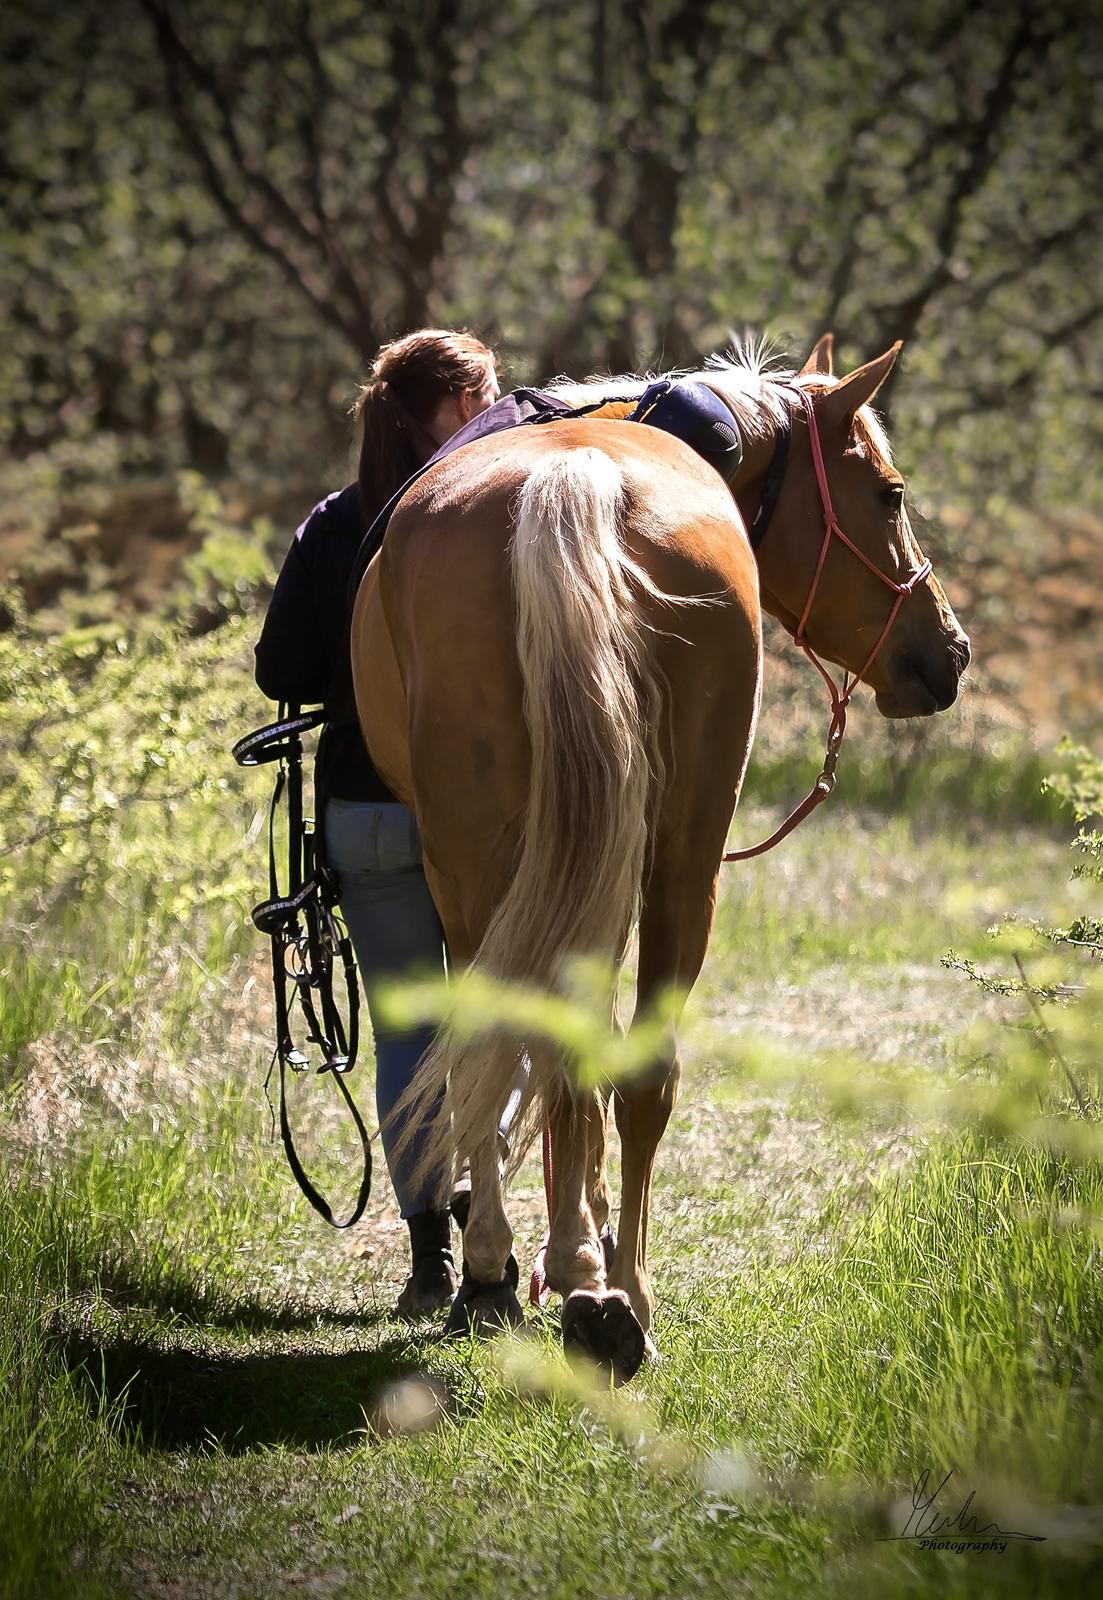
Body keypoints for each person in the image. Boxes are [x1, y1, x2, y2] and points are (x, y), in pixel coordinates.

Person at [254, 328, 500, 1316]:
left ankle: (430, 1257)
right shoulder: (491, 521)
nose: (495, 415)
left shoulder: (334, 523)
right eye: (482, 398)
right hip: (477, 815)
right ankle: (493, 1230)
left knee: (407, 1021)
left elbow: (280, 669)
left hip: (364, 808)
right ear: (447, 410)